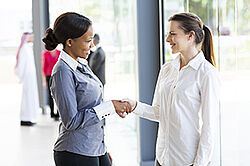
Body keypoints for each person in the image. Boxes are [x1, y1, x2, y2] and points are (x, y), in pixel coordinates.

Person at [127, 13, 220, 166]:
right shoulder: (167, 69)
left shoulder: (207, 74)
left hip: (187, 161)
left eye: (172, 34)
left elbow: (209, 127)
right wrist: (134, 106)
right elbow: (159, 112)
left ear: (190, 36)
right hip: (162, 158)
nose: (167, 39)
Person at [42, 12, 131, 166]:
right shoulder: (62, 72)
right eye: (88, 41)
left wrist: (100, 146)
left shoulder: (81, 63)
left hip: (94, 147)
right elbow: (71, 121)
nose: (92, 46)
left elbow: (90, 106)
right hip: (75, 153)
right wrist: (110, 106)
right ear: (70, 42)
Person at [15, 32, 39, 126]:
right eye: (31, 37)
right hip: (27, 77)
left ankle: (29, 117)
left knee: (31, 97)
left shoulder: (27, 48)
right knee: (27, 98)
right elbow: (21, 64)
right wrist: (21, 76)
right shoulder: (24, 49)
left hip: (31, 77)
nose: (32, 38)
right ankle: (25, 118)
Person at [42, 49, 60, 120]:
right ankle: (52, 113)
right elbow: (44, 67)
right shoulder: (45, 54)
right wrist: (44, 81)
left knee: (59, 95)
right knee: (50, 95)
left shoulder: (59, 52)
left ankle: (58, 113)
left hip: (57, 75)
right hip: (48, 76)